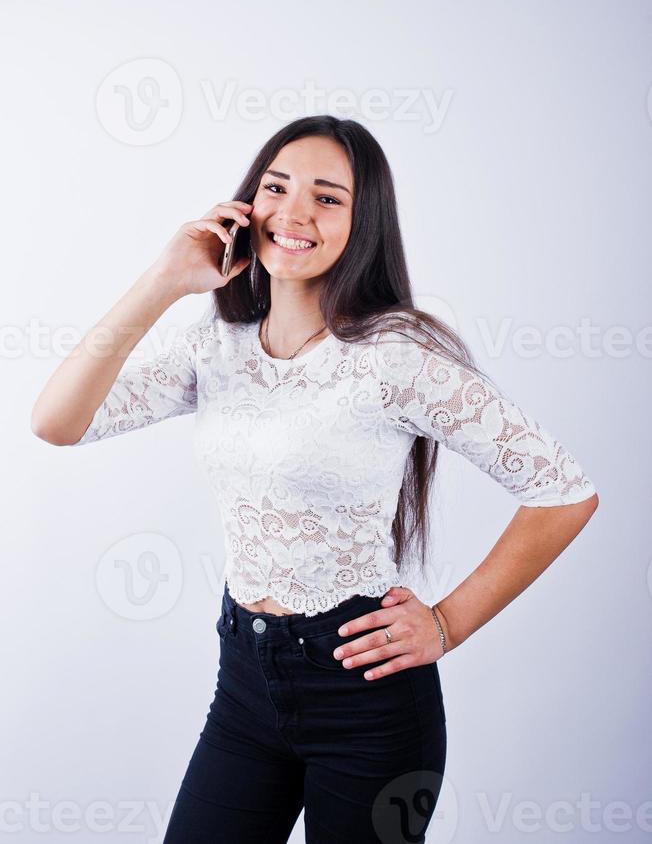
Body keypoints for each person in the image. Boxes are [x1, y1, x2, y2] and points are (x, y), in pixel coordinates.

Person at [31, 115, 599, 844]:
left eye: (328, 198)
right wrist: (164, 279)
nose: (294, 212)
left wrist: (448, 623)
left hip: (365, 699)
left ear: (364, 225)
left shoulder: (397, 356)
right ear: (247, 205)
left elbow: (563, 491)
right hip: (244, 683)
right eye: (276, 187)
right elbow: (57, 420)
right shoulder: (217, 346)